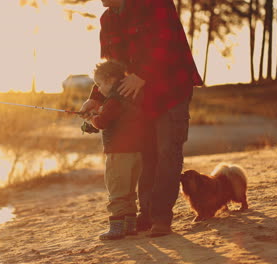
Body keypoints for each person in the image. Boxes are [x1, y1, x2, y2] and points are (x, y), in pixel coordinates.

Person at [80, 0, 203, 237]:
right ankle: (145, 216)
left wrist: (142, 75)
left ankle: (160, 218)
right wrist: (96, 97)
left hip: (171, 90)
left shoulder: (155, 4)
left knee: (167, 150)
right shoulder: (108, 19)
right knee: (147, 154)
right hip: (139, 99)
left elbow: (165, 44)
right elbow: (110, 69)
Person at [84, 60, 147, 240]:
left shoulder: (114, 100)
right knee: (129, 191)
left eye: (99, 84)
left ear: (111, 80)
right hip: (137, 152)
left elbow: (102, 122)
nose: (98, 89)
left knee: (117, 191)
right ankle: (130, 226)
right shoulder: (133, 94)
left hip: (119, 153)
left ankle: (117, 228)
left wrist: (92, 118)